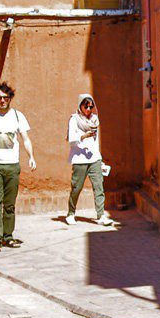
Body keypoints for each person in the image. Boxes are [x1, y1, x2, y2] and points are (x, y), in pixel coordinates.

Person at [0, 82, 37, 252]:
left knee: (9, 204)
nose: (2, 100)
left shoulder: (18, 116)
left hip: (12, 166)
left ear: (10, 98)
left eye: (5, 97)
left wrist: (31, 157)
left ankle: (8, 236)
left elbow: (25, 138)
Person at [65, 94, 114, 226]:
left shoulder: (94, 120)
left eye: (91, 107)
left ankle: (101, 215)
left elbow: (95, 141)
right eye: (85, 106)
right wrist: (84, 135)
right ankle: (70, 213)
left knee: (99, 186)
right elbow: (71, 140)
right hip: (79, 159)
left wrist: (99, 158)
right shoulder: (74, 119)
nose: (88, 109)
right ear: (80, 105)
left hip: (94, 158)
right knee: (76, 187)